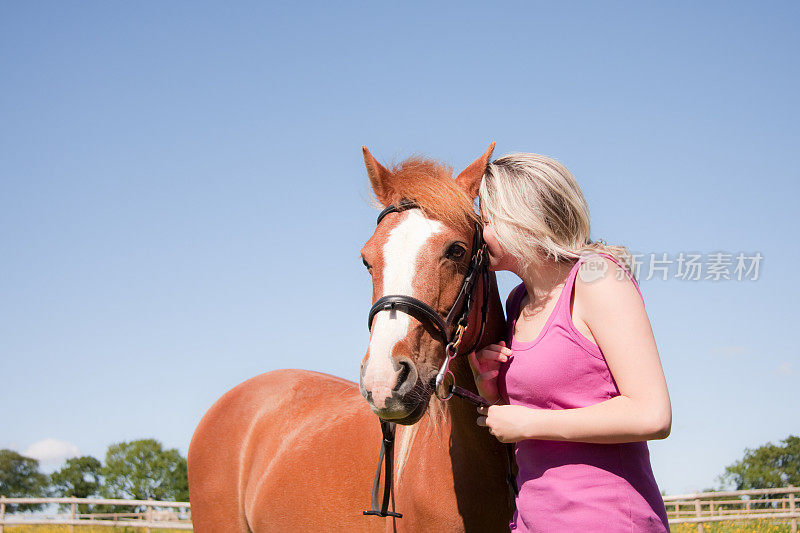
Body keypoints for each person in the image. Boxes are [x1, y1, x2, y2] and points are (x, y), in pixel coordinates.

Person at [468, 153, 672, 532]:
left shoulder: (597, 279)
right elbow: (534, 418)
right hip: (532, 521)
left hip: (605, 519)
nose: (479, 233)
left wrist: (529, 422)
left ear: (521, 218)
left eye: (487, 219)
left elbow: (652, 414)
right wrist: (492, 391)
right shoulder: (517, 301)